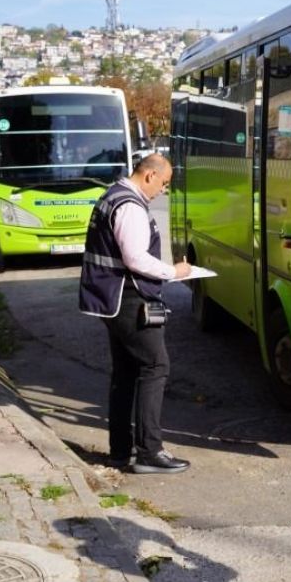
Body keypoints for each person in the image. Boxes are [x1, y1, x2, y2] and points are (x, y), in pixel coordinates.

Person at [79, 153, 193, 475]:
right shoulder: (129, 205)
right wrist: (174, 271)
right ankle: (149, 451)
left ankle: (120, 451)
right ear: (149, 176)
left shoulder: (112, 194)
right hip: (129, 299)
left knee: (126, 373)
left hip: (113, 299)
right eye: (164, 183)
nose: (163, 191)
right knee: (156, 366)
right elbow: (135, 258)